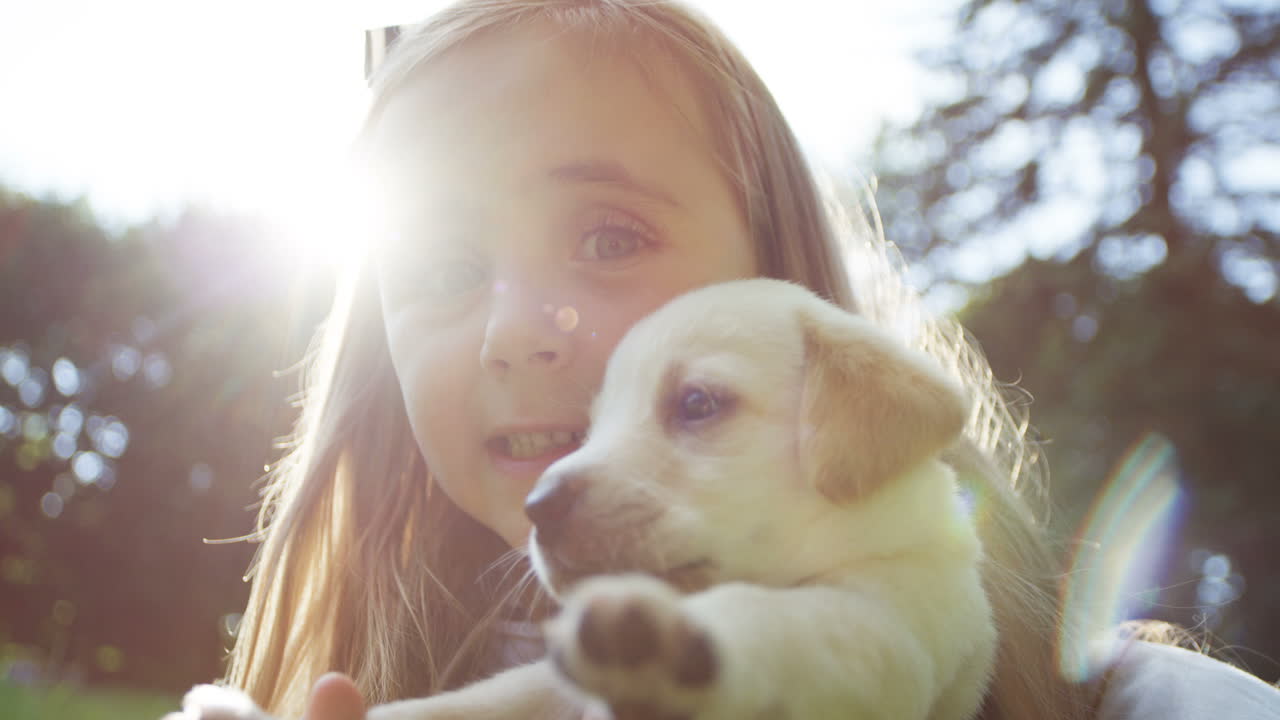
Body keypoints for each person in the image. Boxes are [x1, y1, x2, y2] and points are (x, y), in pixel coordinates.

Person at [209, 2, 1280, 720]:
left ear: (780, 282)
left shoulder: (1159, 707)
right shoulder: (341, 689)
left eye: (609, 238)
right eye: (442, 263)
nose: (513, 331)